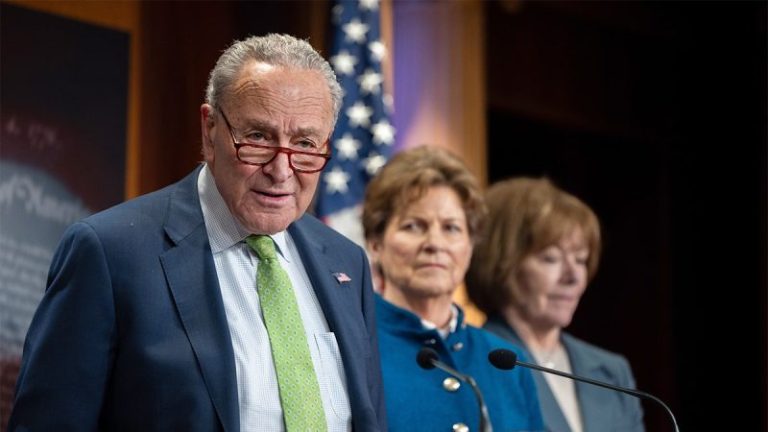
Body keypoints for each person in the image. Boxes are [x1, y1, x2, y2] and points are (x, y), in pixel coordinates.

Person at [9, 34, 386, 432]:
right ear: (209, 130)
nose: (281, 171)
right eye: (258, 138)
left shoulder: (346, 262)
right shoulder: (109, 253)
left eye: (305, 144)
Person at [362, 146, 545, 432]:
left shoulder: (509, 363)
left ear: (471, 245)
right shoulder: (355, 348)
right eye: (413, 226)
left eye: (451, 228)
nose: (435, 243)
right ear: (376, 243)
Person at [465, 177, 644, 432]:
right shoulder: (470, 363)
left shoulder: (612, 372)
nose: (573, 277)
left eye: (581, 260)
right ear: (501, 264)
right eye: (551, 259)